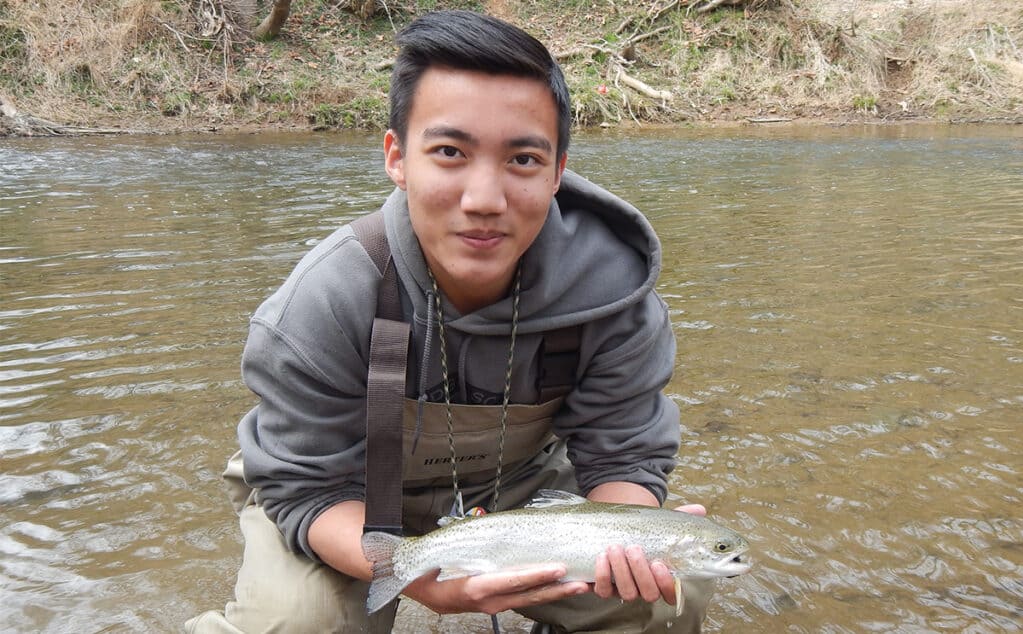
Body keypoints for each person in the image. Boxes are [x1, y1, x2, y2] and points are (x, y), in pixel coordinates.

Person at [187, 10, 715, 634]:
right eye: (449, 152)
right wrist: (417, 574)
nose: (484, 198)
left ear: (557, 172)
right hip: (342, 490)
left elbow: (623, 457)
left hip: (520, 490)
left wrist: (626, 547)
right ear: (397, 158)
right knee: (299, 623)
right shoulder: (324, 299)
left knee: (667, 597)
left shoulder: (613, 296)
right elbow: (305, 488)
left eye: (522, 159)